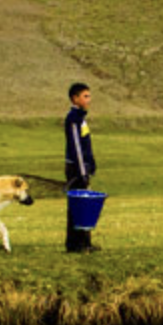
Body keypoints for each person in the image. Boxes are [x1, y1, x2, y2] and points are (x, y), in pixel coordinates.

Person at [64, 81, 98, 253]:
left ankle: (85, 242)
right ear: (75, 98)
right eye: (85, 96)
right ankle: (74, 244)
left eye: (89, 96)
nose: (88, 100)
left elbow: (86, 145)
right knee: (77, 206)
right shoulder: (73, 119)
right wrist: (83, 172)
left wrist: (92, 163)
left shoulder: (81, 119)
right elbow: (76, 147)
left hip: (83, 167)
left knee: (85, 205)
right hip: (76, 169)